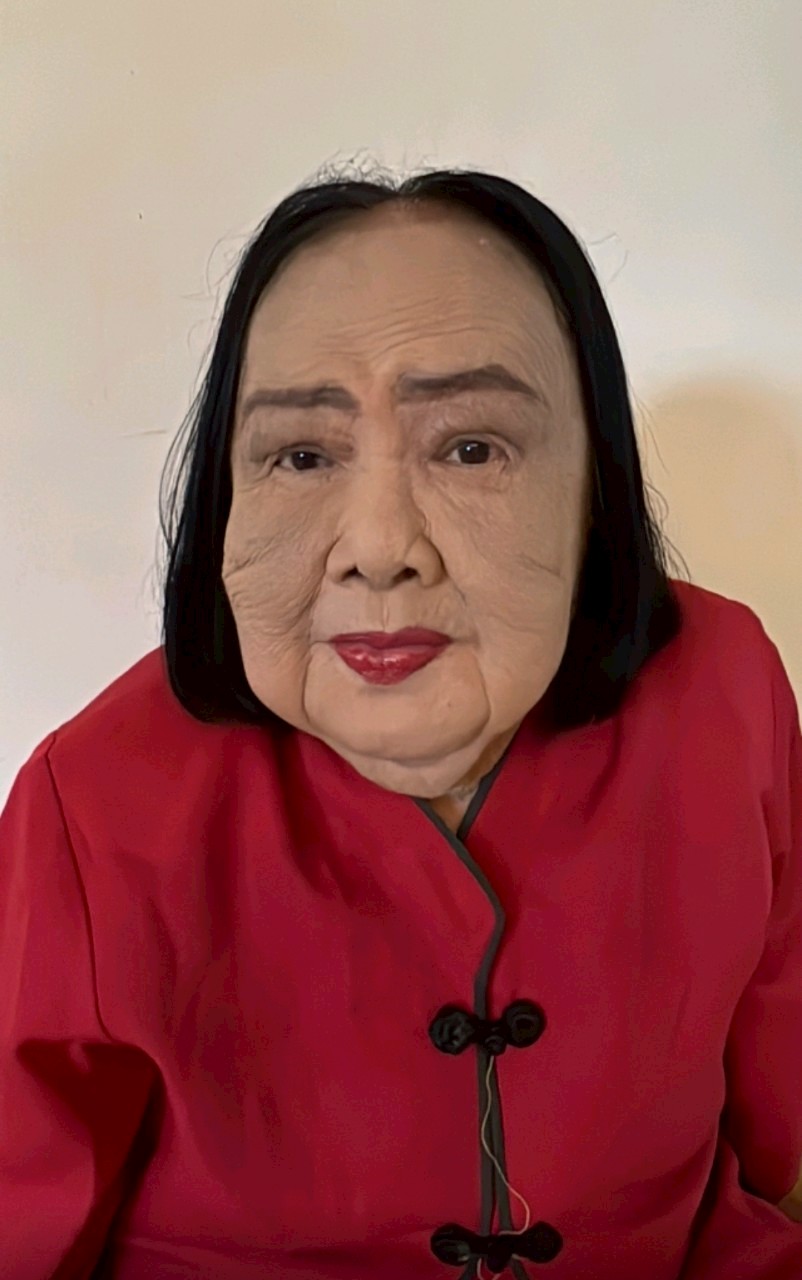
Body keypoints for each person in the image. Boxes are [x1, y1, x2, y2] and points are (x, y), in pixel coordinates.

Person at [1, 164, 800, 1280]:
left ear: (595, 488)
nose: (380, 547)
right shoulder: (91, 800)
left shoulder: (725, 689)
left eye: (470, 447)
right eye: (301, 455)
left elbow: (776, 1128)